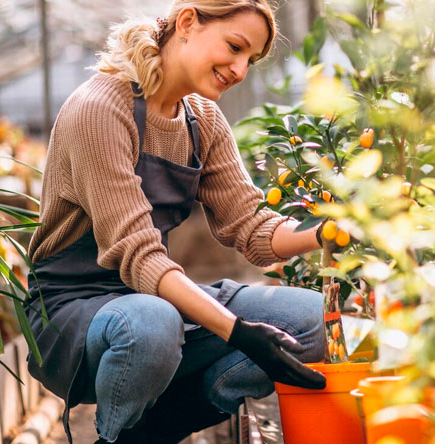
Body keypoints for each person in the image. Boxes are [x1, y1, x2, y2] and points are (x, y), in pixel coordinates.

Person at [24, 1, 330, 443]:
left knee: (310, 320)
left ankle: (158, 427)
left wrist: (329, 230)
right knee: (152, 325)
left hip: (154, 298)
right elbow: (141, 256)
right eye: (235, 46)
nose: (241, 69)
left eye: (251, 59)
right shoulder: (99, 109)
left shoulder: (200, 119)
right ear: (187, 22)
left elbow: (252, 227)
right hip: (73, 309)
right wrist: (239, 332)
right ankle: (115, 436)